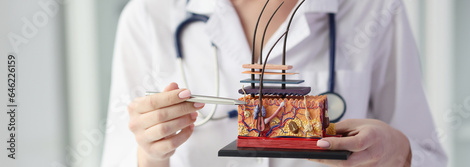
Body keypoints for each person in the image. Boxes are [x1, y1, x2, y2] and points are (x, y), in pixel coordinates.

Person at [101, 0, 448, 166]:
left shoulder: (373, 8)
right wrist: (149, 155)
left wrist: (400, 153)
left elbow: (429, 156)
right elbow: (118, 158)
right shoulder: (148, 16)